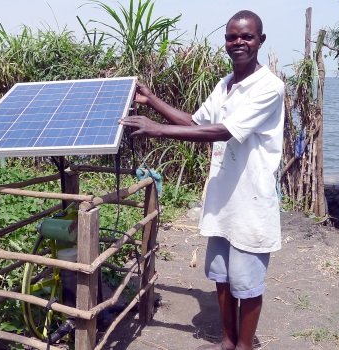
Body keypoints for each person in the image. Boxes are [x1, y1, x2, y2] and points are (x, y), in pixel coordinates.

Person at [120, 10, 284, 350]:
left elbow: (224, 131)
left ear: (261, 41)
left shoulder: (270, 87)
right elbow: (196, 122)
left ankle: (244, 345)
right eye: (231, 37)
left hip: (252, 203)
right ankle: (227, 341)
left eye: (247, 36)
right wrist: (151, 101)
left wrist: (157, 129)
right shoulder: (225, 85)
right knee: (223, 279)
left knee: (248, 285)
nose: (238, 42)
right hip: (223, 201)